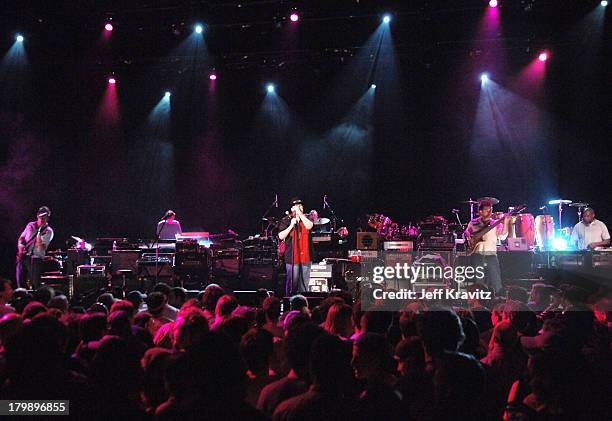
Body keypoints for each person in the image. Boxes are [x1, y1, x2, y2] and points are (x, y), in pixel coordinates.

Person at [464, 199, 509, 296]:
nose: (489, 212)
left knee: (496, 279)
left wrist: (506, 222)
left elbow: (503, 236)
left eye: (491, 210)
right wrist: (469, 237)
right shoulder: (473, 222)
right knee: (479, 280)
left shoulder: (495, 224)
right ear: (480, 211)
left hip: (491, 255)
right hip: (477, 254)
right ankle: (480, 300)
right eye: (487, 210)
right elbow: (467, 232)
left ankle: (499, 299)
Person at [278, 198, 314, 296]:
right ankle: (289, 304)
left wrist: (300, 215)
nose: (299, 207)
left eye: (301, 205)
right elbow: (281, 236)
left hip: (306, 257)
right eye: (296, 206)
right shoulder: (286, 220)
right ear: (292, 208)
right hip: (292, 258)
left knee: (304, 284)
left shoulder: (307, 218)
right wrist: (290, 225)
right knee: (292, 284)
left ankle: (303, 304)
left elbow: (309, 226)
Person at [16, 206, 54, 289]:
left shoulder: (48, 231)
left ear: (48, 218)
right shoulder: (30, 225)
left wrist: (39, 234)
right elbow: (21, 238)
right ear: (37, 215)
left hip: (36, 259)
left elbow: (42, 248)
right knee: (20, 281)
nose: (42, 218)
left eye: (45, 216)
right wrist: (20, 248)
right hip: (23, 256)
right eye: (41, 216)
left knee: (35, 284)